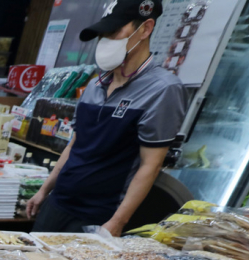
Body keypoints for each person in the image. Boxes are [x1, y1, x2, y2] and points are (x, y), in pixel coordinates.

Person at [28, 0, 186, 236]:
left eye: (114, 32)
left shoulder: (163, 89)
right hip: (58, 202)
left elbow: (150, 166)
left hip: (98, 214)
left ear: (145, 29)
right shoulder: (94, 85)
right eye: (102, 34)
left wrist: (118, 221)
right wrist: (44, 190)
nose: (105, 41)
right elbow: (75, 145)